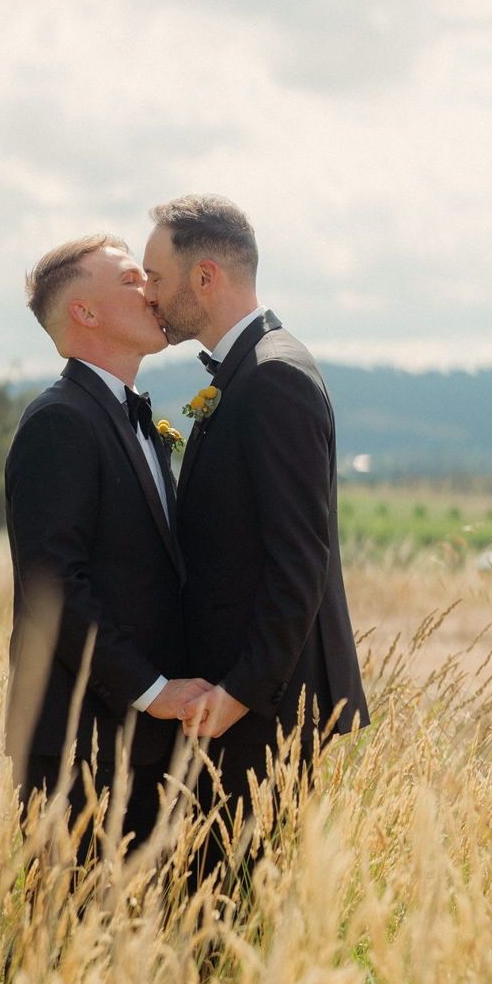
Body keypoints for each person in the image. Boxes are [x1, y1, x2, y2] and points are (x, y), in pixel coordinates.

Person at [143, 195, 369, 867]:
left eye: (155, 277)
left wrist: (240, 694)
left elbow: (298, 561)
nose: (148, 294)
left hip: (264, 707)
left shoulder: (273, 378)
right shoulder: (251, 368)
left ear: (204, 277)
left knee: (232, 897)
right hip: (240, 697)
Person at [4, 232, 211, 858]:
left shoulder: (131, 418)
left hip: (146, 748)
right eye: (130, 279)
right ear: (84, 312)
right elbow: (55, 591)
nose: (151, 289)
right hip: (80, 749)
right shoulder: (59, 422)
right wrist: (154, 690)